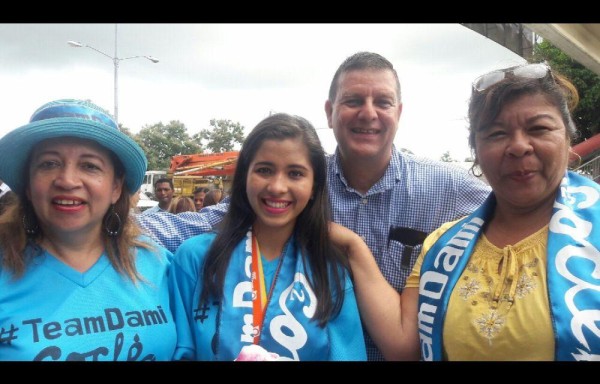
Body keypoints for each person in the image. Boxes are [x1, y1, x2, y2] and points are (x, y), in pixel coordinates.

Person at [136, 52, 491, 360]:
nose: (368, 113)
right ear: (330, 111)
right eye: (353, 101)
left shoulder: (447, 186)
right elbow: (203, 225)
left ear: (398, 112)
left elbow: (521, 208)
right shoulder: (297, 183)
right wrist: (102, 222)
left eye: (382, 102)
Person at [337, 62, 600, 361]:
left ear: (568, 137)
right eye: (496, 134)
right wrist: (351, 245)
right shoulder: (441, 247)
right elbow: (405, 346)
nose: (518, 146)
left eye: (538, 128)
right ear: (476, 150)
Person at [169, 113, 367, 361]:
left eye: (295, 173)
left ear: (315, 186)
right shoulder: (195, 259)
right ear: (244, 177)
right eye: (264, 170)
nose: (277, 187)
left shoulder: (329, 271)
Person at [0, 99, 176, 361]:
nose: (67, 180)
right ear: (27, 184)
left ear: (116, 188)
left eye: (90, 165)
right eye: (49, 163)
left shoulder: (159, 265)